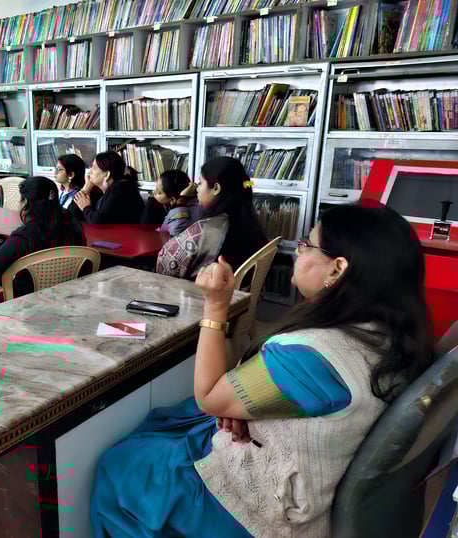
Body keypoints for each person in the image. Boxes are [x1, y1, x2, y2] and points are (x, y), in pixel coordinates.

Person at [90, 202, 435, 538]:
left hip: (259, 513)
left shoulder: (311, 357)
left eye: (307, 243)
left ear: (337, 269)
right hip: (304, 472)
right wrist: (246, 408)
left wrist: (216, 307)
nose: (299, 250)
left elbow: (209, 396)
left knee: (120, 464)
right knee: (170, 422)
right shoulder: (389, 335)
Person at [156, 156, 267, 280]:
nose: (197, 189)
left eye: (200, 183)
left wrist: (181, 200)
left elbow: (165, 267)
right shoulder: (250, 223)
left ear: (216, 188)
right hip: (233, 290)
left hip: (198, 291)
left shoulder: (206, 229)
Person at [70, 151, 144, 224]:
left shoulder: (121, 188)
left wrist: (85, 208)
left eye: (94, 167)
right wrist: (86, 188)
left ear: (107, 174)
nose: (90, 171)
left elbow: (99, 222)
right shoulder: (103, 191)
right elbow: (72, 214)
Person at [141, 169, 194, 236]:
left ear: (173, 199)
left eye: (159, 192)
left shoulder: (187, 211)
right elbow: (145, 226)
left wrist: (180, 202)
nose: (154, 192)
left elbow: (175, 233)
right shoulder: (161, 204)